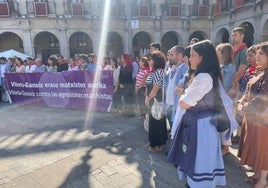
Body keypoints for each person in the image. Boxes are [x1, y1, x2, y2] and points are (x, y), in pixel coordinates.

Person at [168, 40, 238, 188]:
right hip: (200, 123)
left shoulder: (204, 77)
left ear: (203, 58)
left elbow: (184, 103)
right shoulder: (204, 75)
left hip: (200, 127)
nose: (190, 58)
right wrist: (185, 93)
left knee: (199, 163)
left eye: (193, 55)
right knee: (197, 161)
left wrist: (183, 94)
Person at [237, 42, 268, 188]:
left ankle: (263, 180)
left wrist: (245, 105)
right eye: (257, 53)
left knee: (263, 149)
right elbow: (248, 91)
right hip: (252, 115)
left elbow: (263, 97)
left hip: (262, 117)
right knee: (256, 146)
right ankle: (256, 174)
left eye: (261, 53)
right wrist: (241, 102)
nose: (257, 56)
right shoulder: (260, 71)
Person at [145, 51, 168, 152]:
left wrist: (148, 98)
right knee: (156, 122)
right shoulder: (157, 71)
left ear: (156, 60)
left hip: (155, 101)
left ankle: (157, 146)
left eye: (150, 59)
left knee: (156, 123)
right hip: (155, 101)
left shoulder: (158, 72)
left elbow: (155, 88)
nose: (149, 61)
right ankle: (155, 144)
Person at [165, 45, 188, 130]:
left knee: (178, 130)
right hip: (168, 104)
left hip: (177, 106)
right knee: (172, 129)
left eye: (171, 55)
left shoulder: (185, 70)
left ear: (180, 56)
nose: (169, 57)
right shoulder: (171, 69)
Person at [135, 55, 150, 119]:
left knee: (143, 103)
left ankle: (145, 116)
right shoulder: (141, 70)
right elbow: (137, 78)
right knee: (140, 102)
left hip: (143, 88)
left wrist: (138, 87)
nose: (139, 62)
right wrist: (136, 87)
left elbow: (144, 82)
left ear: (144, 62)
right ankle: (142, 115)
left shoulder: (146, 71)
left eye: (140, 61)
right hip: (139, 88)